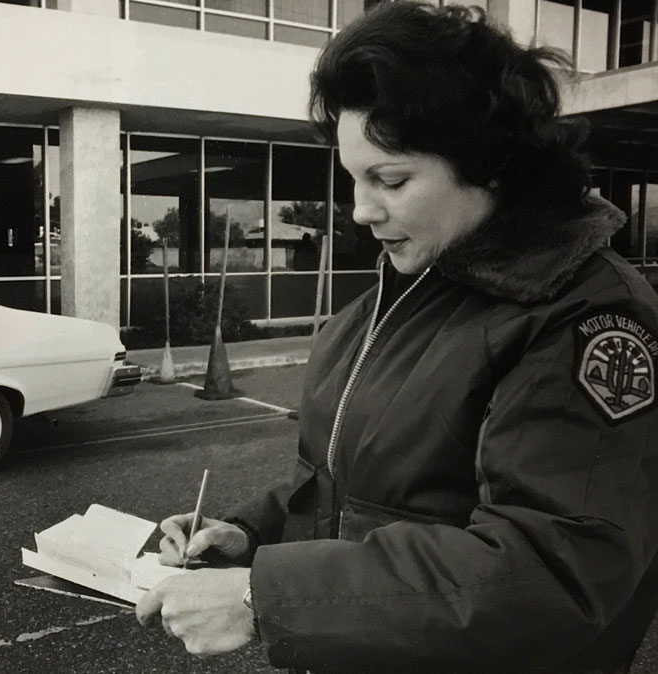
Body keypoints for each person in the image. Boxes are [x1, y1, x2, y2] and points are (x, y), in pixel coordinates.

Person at [135, 3, 658, 673]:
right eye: (354, 177)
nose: (361, 210)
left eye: (391, 179)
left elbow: (552, 570)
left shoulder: (585, 318)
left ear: (490, 166)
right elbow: (341, 484)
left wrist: (259, 596)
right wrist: (245, 533)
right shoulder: (406, 287)